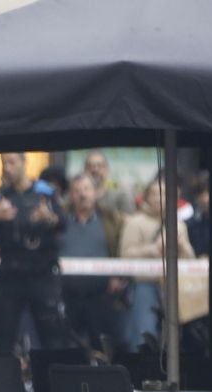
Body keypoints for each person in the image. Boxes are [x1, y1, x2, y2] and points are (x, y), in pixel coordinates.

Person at [0, 151, 70, 356]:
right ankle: (6, 376)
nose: (7, 168)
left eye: (12, 162)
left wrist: (50, 218)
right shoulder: (0, 197)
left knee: (51, 335)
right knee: (5, 337)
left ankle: (49, 375)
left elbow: (63, 223)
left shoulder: (44, 192)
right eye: (4, 163)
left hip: (42, 272)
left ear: (24, 163)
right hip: (10, 273)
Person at [117, 176, 195, 352]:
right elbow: (124, 255)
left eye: (164, 194)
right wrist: (153, 249)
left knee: (175, 336)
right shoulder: (135, 223)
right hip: (144, 285)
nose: (159, 197)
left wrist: (183, 248)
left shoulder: (179, 225)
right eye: (154, 194)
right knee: (144, 332)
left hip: (173, 287)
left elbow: (191, 260)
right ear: (146, 197)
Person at [59, 173, 123, 355]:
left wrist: (118, 276)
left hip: (101, 294)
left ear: (95, 193)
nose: (82, 194)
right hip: (66, 295)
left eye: (86, 189)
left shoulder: (111, 221)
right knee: (66, 349)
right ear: (71, 196)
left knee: (103, 347)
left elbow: (120, 249)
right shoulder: (60, 222)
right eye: (77, 190)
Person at [84, 151, 135, 217]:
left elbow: (130, 218)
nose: (95, 169)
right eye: (90, 166)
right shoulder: (77, 193)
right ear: (84, 170)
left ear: (107, 169)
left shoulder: (121, 192)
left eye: (99, 166)